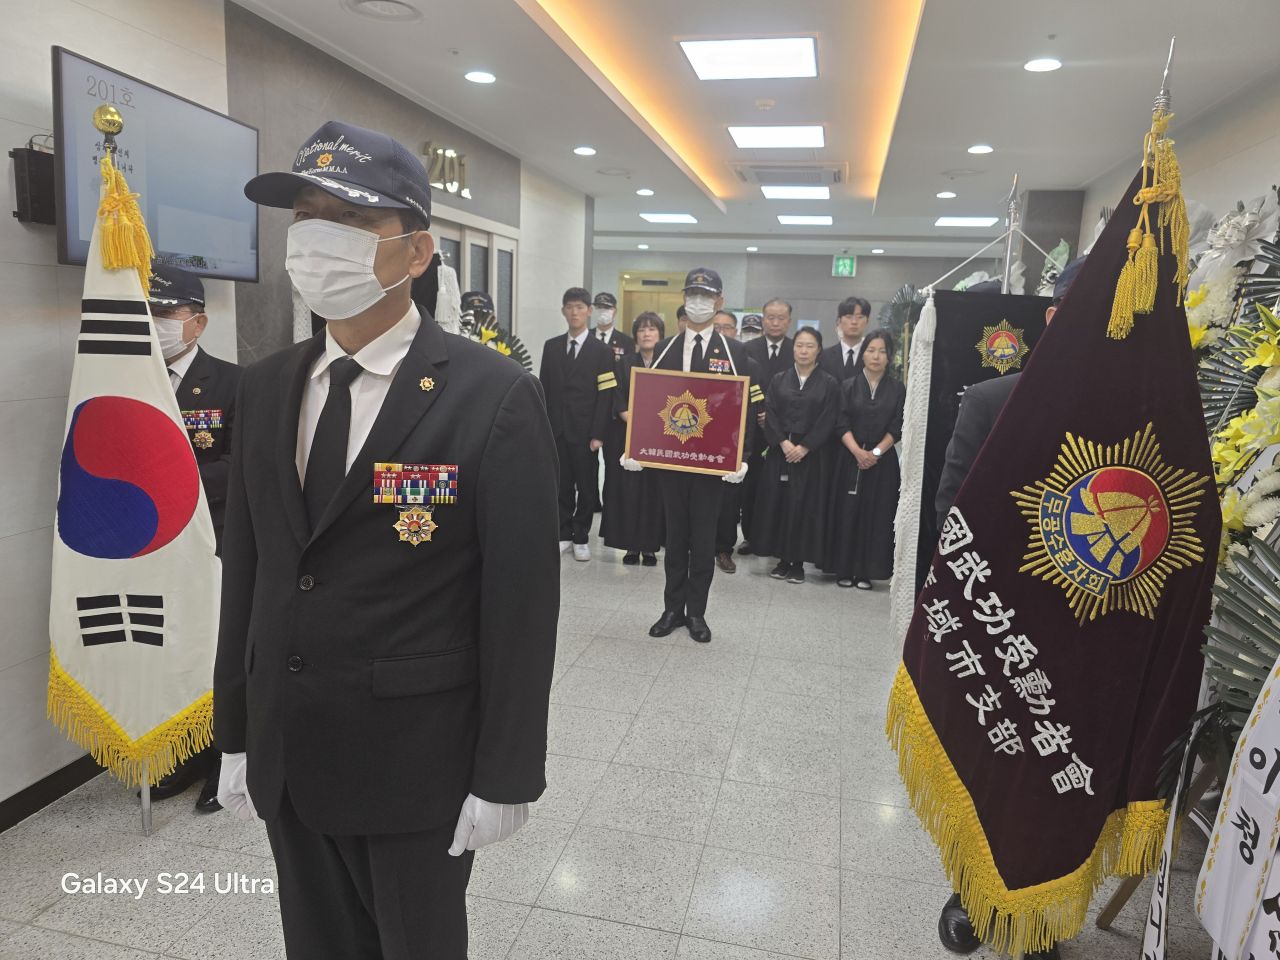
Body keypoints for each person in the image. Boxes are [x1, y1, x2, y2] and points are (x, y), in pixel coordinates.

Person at [212, 120, 559, 960]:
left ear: (417, 251)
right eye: (307, 216)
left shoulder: (493, 396)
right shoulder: (267, 386)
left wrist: (508, 772)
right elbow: (250, 571)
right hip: (291, 748)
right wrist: (236, 726)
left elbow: (521, 603)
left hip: (415, 762)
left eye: (353, 218)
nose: (318, 238)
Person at [933, 257, 1083, 960]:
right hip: (1005, 625)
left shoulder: (1140, 417)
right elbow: (951, 511)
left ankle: (1045, 911)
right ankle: (973, 889)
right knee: (995, 764)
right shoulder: (993, 402)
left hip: (1088, 638)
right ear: (1054, 317)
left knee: (1066, 781)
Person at [143, 261, 241, 814]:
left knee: (217, 649)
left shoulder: (233, 383)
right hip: (152, 546)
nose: (156, 323)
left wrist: (172, 483)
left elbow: (242, 465)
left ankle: (225, 755)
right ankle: (185, 751)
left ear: (198, 323)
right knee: (172, 648)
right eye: (148, 312)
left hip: (213, 542)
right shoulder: (132, 381)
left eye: (167, 312)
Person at [639, 268, 751, 643]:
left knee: (703, 540)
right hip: (672, 461)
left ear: (719, 302)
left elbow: (745, 407)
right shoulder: (665, 348)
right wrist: (637, 447)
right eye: (692, 295)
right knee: (675, 538)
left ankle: (697, 613)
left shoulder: (735, 352)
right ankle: (672, 608)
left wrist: (742, 456)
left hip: (711, 466)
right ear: (684, 300)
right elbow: (650, 399)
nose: (698, 302)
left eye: (706, 296)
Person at [749, 327, 839, 583]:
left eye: (810, 346)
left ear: (818, 350)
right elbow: (769, 412)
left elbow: (828, 419)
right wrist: (782, 443)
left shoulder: (829, 383)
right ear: (793, 348)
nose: (804, 351)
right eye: (799, 345)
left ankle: (798, 563)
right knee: (778, 503)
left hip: (811, 455)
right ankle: (781, 560)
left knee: (804, 506)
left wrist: (805, 446)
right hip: (781, 451)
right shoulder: (779, 379)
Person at [823, 329, 905, 589]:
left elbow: (897, 426)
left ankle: (866, 571)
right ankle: (843, 568)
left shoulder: (897, 389)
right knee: (847, 511)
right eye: (871, 350)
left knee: (876, 514)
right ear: (863, 354)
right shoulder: (848, 385)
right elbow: (840, 422)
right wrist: (858, 452)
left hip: (882, 461)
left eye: (882, 351)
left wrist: (876, 453)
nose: (876, 356)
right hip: (849, 457)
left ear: (889, 356)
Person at [539, 287, 616, 560]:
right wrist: (544, 427)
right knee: (561, 484)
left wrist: (598, 433)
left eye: (580, 307)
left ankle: (581, 535)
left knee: (586, 486)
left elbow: (606, 395)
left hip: (586, 432)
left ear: (589, 311)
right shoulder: (551, 347)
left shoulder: (602, 351)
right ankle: (563, 533)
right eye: (570, 307)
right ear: (563, 311)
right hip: (557, 429)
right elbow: (544, 388)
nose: (575, 312)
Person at [604, 312, 665, 565]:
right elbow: (617, 397)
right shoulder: (623, 363)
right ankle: (631, 546)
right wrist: (637, 424)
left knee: (653, 492)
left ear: (661, 335)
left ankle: (649, 547)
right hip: (627, 434)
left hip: (660, 439)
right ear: (635, 336)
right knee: (629, 490)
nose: (646, 334)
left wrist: (653, 428)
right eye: (641, 329)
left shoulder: (669, 363)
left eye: (652, 329)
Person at [739, 298, 795, 555]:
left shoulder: (796, 349)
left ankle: (778, 539)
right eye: (770, 317)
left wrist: (774, 421)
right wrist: (759, 415)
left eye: (781, 318)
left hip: (786, 432)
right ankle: (750, 537)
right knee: (751, 485)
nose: (775, 322)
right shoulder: (747, 349)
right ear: (763, 319)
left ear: (789, 321)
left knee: (780, 487)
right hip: (753, 429)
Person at [592, 291, 633, 538]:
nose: (602, 311)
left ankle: (611, 512)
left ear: (615, 311)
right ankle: (593, 503)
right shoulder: (587, 338)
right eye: (598, 307)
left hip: (617, 417)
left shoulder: (626, 341)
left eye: (606, 308)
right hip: (593, 413)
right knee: (590, 468)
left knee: (613, 469)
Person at [818, 296, 870, 382]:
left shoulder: (872, 357)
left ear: (867, 321)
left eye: (860, 317)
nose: (854, 322)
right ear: (839, 321)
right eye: (849, 317)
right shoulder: (824, 356)